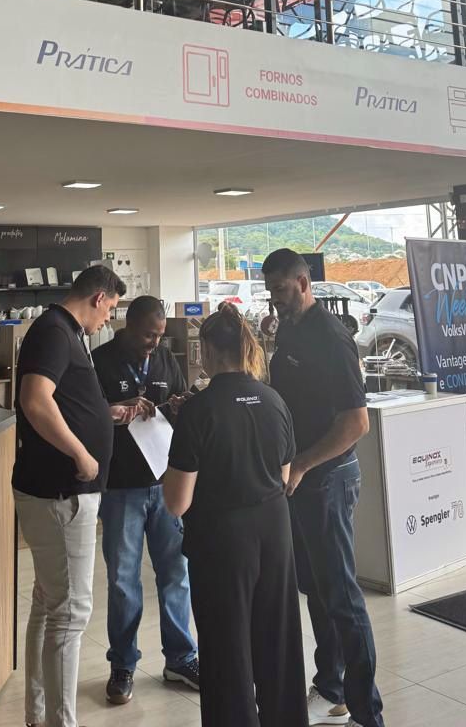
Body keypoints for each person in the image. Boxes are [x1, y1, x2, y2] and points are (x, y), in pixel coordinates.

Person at [163, 304, 307, 727]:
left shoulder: (197, 409)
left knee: (227, 650)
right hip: (274, 529)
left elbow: (177, 502)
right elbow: (283, 474)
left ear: (206, 349)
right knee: (278, 639)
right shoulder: (274, 400)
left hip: (223, 536)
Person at [263, 248, 384, 727]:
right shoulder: (288, 328)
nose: (274, 299)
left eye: (281, 289)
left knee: (342, 597)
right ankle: (331, 686)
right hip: (298, 480)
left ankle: (367, 710)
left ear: (304, 280)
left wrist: (304, 464)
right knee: (314, 587)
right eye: (270, 291)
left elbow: (356, 423)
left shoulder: (332, 337)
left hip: (328, 478)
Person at [12, 265, 127, 727]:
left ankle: (38, 716)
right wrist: (82, 453)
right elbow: (35, 399)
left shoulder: (65, 332)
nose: (109, 321)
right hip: (62, 492)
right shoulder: (56, 331)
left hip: (57, 490)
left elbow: (61, 399)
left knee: (48, 603)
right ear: (99, 297)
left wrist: (101, 414)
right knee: (71, 613)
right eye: (112, 310)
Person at [91, 296, 200, 704]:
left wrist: (179, 405)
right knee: (122, 579)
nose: (153, 342)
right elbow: (84, 415)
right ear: (128, 325)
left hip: (165, 481)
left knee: (176, 572)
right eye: (147, 335)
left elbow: (177, 403)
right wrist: (116, 411)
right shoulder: (100, 360)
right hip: (121, 487)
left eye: (158, 335)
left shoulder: (165, 360)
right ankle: (123, 663)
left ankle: (181, 657)